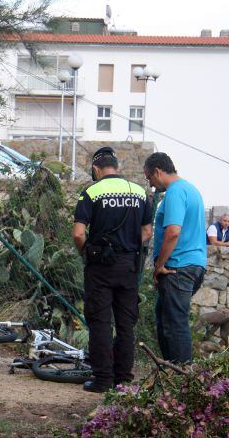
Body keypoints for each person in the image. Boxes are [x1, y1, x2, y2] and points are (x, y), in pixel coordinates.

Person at [73, 147, 153, 393]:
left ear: (97, 169)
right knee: (126, 324)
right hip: (128, 266)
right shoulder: (139, 192)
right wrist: (126, 246)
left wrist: (88, 251)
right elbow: (148, 231)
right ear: (116, 167)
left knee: (100, 322)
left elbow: (78, 233)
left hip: (100, 267)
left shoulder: (91, 192)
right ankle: (123, 378)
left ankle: (103, 380)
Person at [144, 152, 207, 364]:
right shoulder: (191, 190)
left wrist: (159, 265)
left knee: (174, 323)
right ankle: (171, 371)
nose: (151, 184)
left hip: (177, 267)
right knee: (164, 319)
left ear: (158, 171)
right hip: (194, 265)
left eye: (149, 178)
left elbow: (173, 232)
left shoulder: (175, 192)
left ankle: (181, 378)